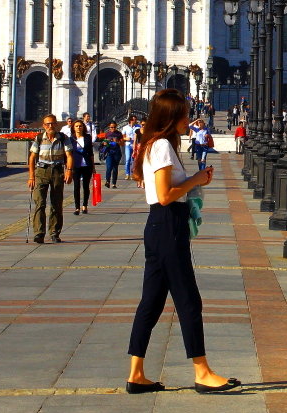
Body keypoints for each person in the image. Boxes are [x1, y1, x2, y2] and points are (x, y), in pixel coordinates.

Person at [126, 89, 238, 395]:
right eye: (185, 114)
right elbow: (165, 196)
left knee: (151, 303)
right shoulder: (161, 145)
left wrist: (192, 181)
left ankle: (136, 373)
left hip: (159, 227)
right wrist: (197, 180)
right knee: (189, 300)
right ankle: (202, 371)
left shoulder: (156, 144)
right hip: (167, 225)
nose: (189, 119)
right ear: (171, 117)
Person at [27, 115, 74, 243]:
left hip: (57, 171)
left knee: (56, 203)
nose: (50, 126)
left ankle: (54, 232)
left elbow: (69, 156)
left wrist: (69, 171)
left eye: (52, 124)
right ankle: (39, 233)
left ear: (57, 125)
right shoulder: (39, 138)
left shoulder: (63, 138)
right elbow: (32, 158)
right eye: (47, 124)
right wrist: (31, 176)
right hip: (41, 171)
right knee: (40, 202)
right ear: (44, 126)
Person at [69, 120, 96, 215]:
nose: (78, 128)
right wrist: (68, 167)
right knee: (76, 186)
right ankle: (77, 207)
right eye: (76, 126)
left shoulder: (88, 137)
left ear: (83, 127)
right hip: (76, 165)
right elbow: (69, 154)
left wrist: (93, 166)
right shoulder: (71, 139)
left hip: (86, 164)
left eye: (80, 126)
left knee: (86, 186)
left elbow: (91, 153)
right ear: (73, 128)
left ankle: (85, 205)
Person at [100, 122, 124, 188]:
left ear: (116, 127)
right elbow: (104, 142)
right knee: (109, 167)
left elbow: (122, 144)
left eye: (114, 127)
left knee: (115, 168)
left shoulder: (119, 133)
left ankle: (114, 183)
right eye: (111, 127)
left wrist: (117, 141)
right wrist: (105, 143)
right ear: (109, 127)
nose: (113, 128)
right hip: (109, 152)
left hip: (117, 152)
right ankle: (107, 181)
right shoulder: (107, 134)